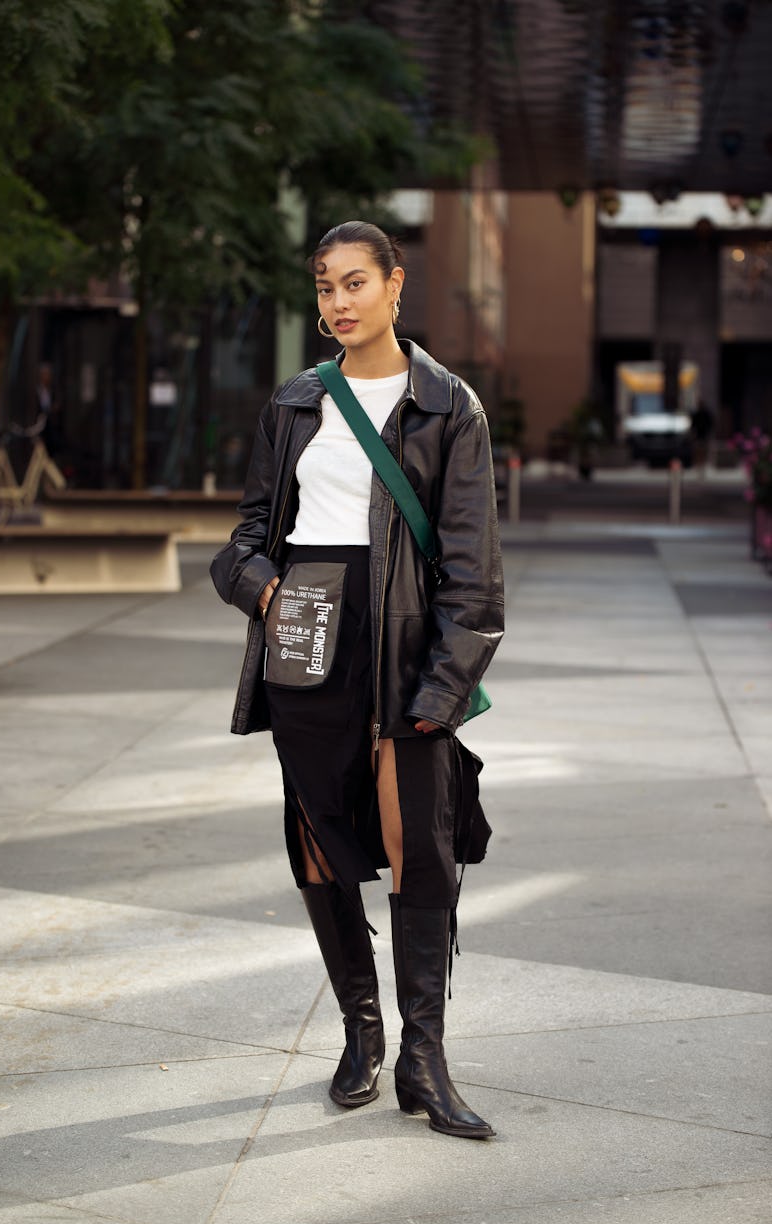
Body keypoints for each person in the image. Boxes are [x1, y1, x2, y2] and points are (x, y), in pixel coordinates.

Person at [210, 221, 504, 1140]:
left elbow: (475, 579)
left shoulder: (447, 407)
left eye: (354, 284)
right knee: (318, 847)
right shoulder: (295, 403)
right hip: (306, 646)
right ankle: (362, 1034)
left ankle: (426, 1058)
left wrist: (440, 690)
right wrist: (267, 597)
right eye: (325, 288)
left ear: (394, 285)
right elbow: (245, 543)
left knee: (418, 846)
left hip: (404, 650)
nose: (337, 303)